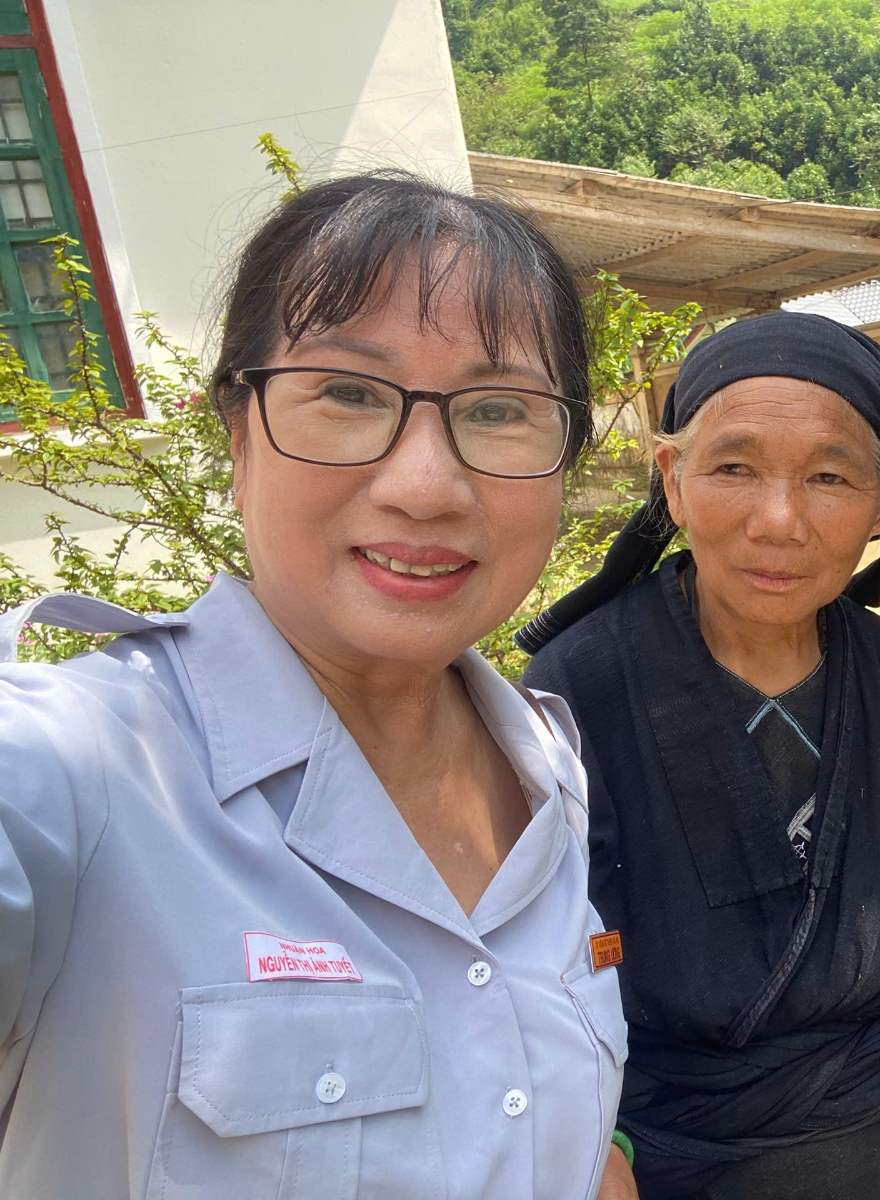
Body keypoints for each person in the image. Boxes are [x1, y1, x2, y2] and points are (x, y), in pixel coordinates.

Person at [0, 174, 628, 1199]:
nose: (425, 485)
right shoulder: (79, 768)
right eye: (348, 393)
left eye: (498, 410)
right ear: (237, 434)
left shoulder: (545, 760)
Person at [522, 312, 880, 1200]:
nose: (779, 521)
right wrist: (596, 1152)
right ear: (672, 482)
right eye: (733, 468)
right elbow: (550, 971)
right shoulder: (581, 684)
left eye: (829, 477)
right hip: (678, 1156)